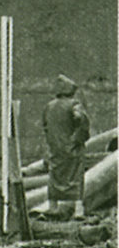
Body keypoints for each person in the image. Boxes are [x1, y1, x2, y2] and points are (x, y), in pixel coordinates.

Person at [42, 74, 90, 218]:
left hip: (55, 148)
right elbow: (81, 119)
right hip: (72, 149)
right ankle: (79, 210)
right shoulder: (74, 104)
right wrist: (78, 139)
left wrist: (53, 141)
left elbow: (45, 126)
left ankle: (52, 207)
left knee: (55, 177)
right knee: (76, 178)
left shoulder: (49, 106)